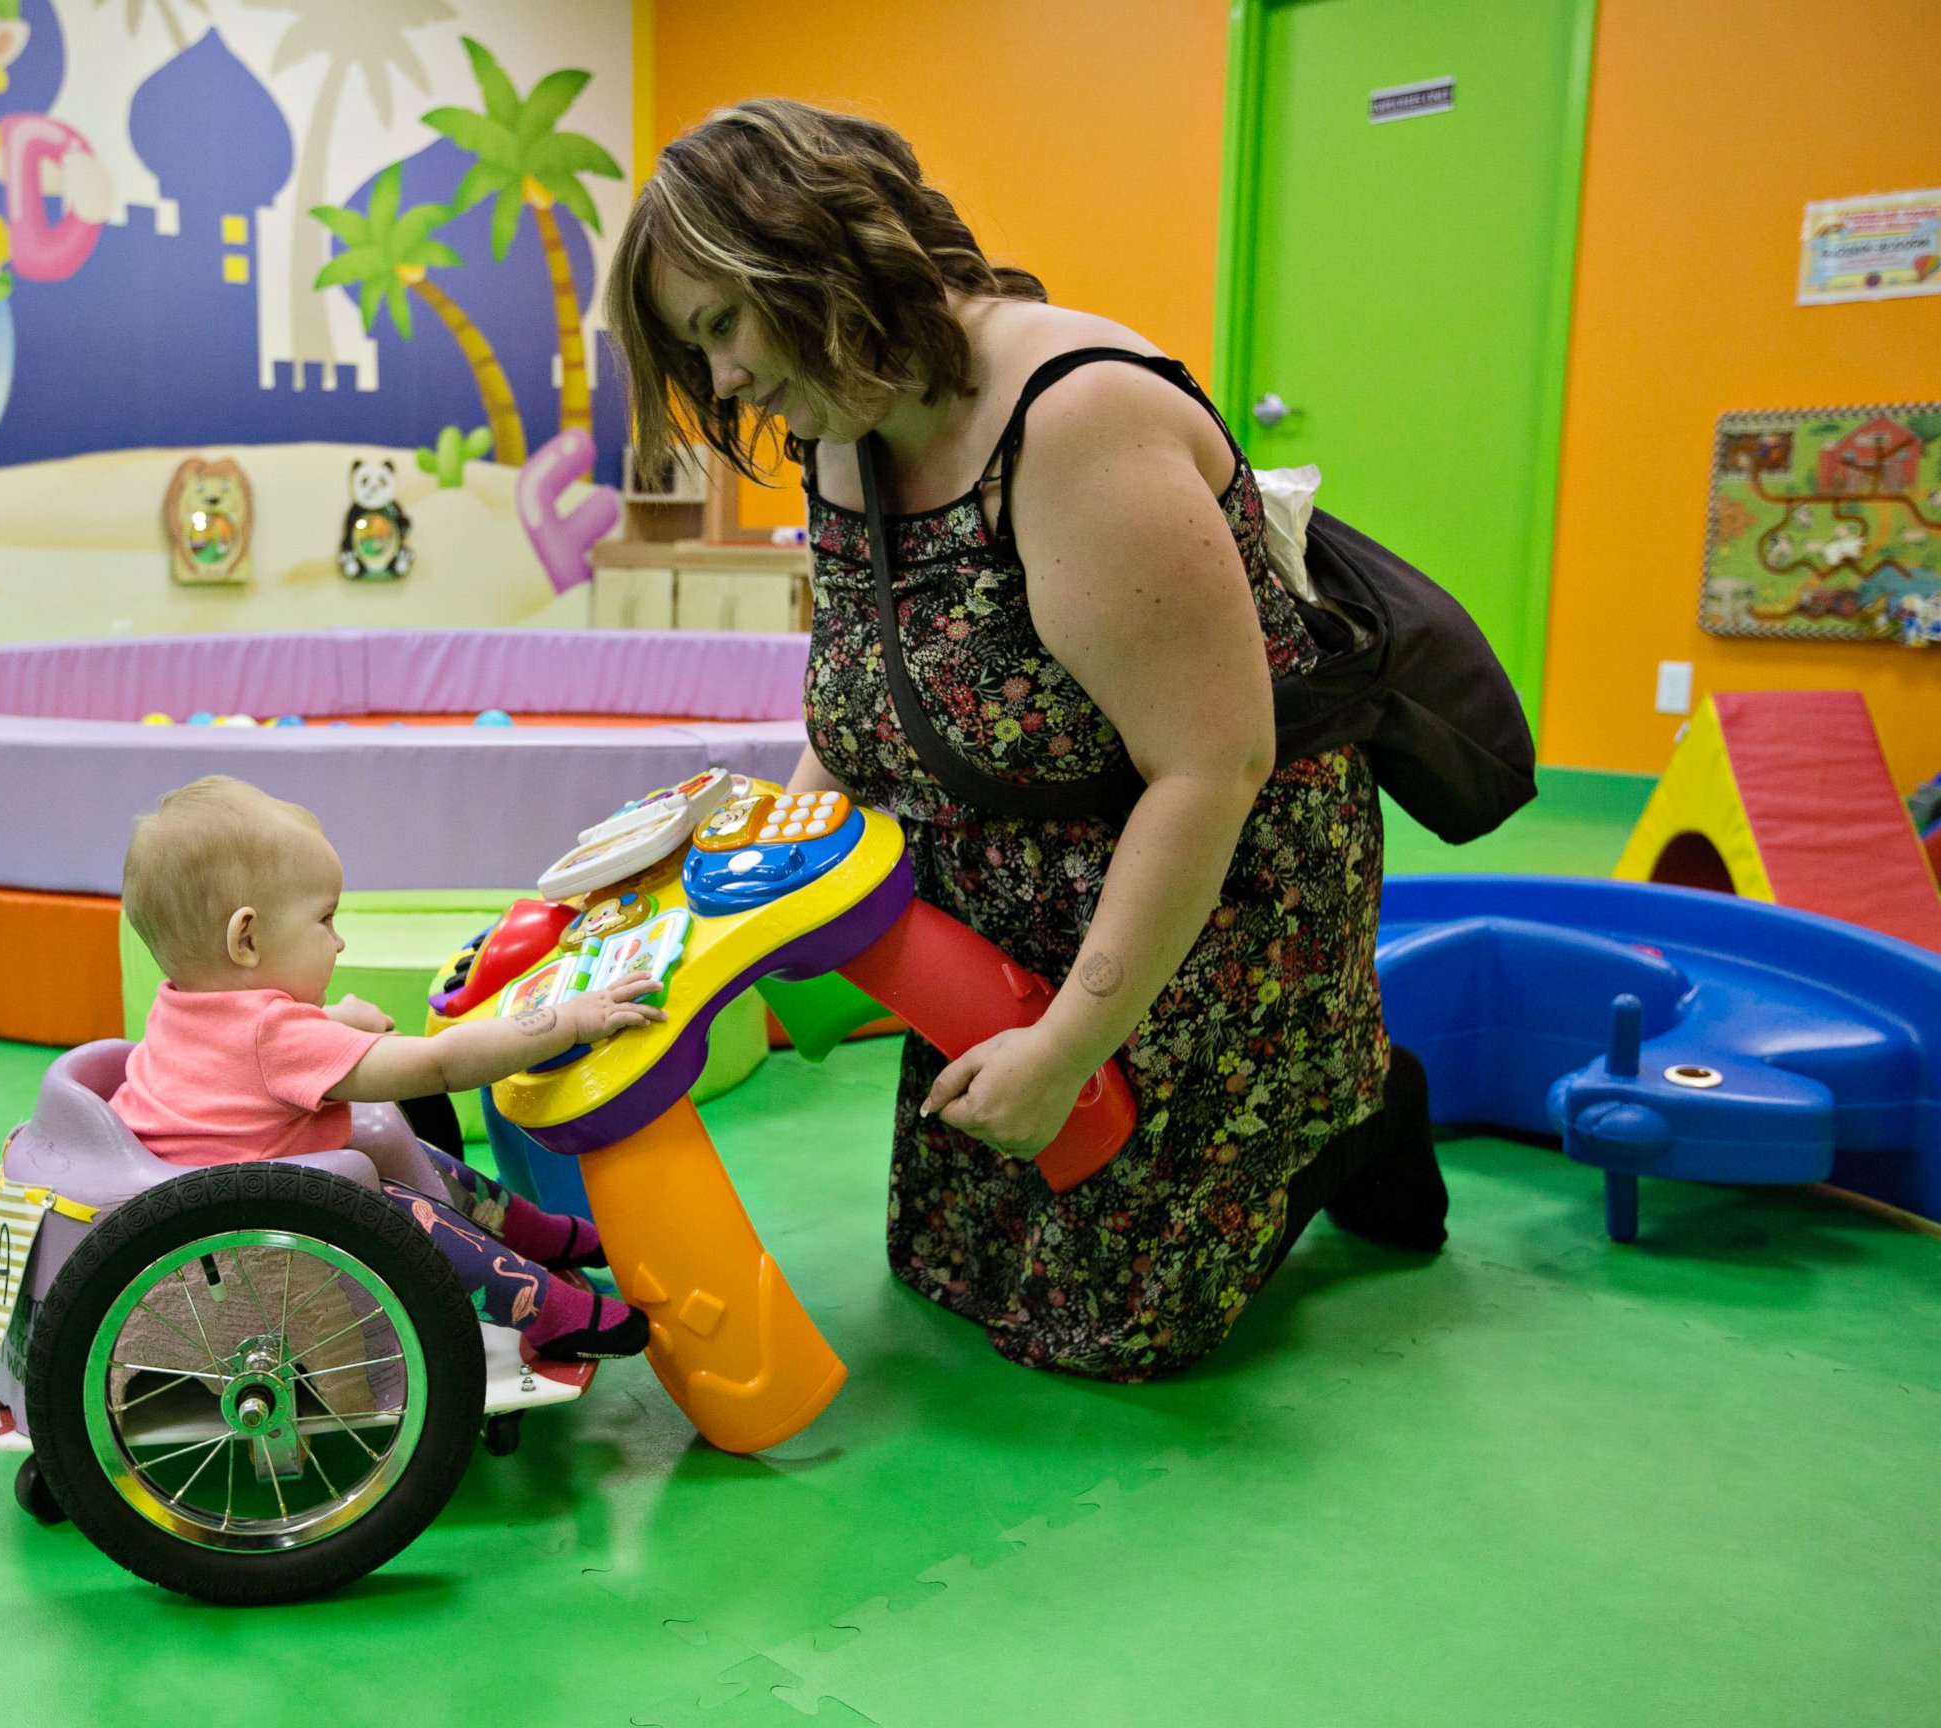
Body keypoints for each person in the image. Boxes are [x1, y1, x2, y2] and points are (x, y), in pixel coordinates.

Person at [605, 100, 1447, 1382]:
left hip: (1206, 902)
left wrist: (1067, 1048)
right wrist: (750, 900)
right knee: (944, 1268)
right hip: (997, 919)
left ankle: (1351, 1104)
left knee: (1108, 1333)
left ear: (816, 252)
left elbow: (1210, 769)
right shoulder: (841, 424)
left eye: (722, 323)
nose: (721, 380)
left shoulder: (1074, 420)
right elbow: (858, 710)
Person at [114, 774, 661, 1360]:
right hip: (260, 1249)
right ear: (246, 940)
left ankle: (541, 1236)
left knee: (401, 1151)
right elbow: (439, 1065)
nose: (340, 942)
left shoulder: (182, 1003)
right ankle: (545, 1310)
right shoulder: (275, 1036)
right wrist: (569, 1022)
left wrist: (335, 1024)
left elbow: (246, 1065)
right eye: (325, 920)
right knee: (402, 1213)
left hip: (192, 1216)